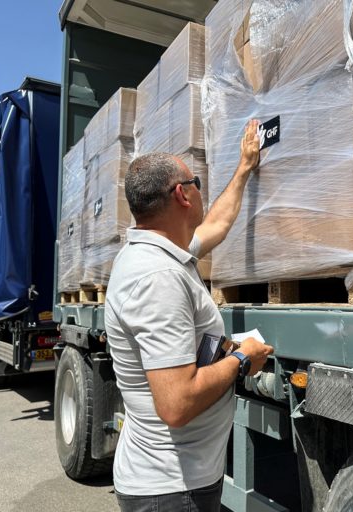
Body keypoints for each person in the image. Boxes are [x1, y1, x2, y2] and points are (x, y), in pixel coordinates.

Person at [105, 119, 274, 512]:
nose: (202, 190)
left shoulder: (163, 252)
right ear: (182, 195)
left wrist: (246, 166)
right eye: (197, 182)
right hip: (170, 491)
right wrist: (242, 358)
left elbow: (216, 223)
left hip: (177, 481)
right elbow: (176, 403)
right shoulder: (158, 276)